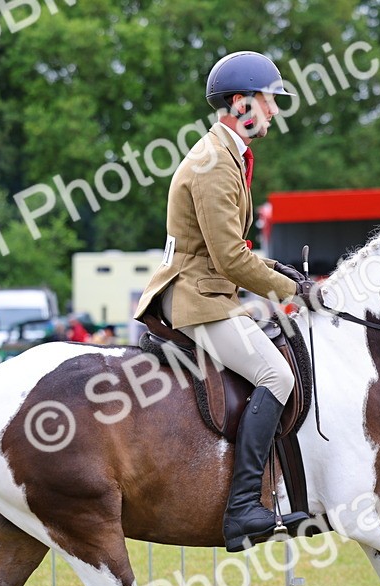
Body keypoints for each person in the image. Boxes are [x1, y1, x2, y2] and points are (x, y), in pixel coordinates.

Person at [132, 50, 312, 552]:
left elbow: (237, 252)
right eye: (268, 101)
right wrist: (294, 291)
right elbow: (230, 259)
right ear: (241, 103)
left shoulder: (229, 155)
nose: (274, 111)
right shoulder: (214, 163)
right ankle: (242, 510)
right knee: (277, 375)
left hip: (211, 291)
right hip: (198, 299)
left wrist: (287, 274)